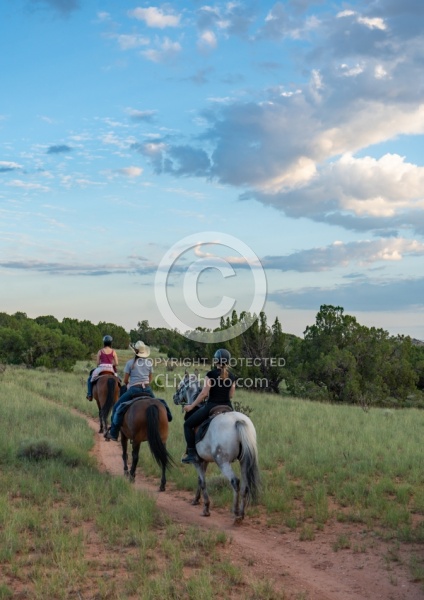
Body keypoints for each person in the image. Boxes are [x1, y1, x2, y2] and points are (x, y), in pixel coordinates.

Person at [105, 340, 172, 441]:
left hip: (134, 390)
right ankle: (168, 417)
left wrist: (129, 385)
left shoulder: (130, 363)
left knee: (117, 407)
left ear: (135, 351)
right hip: (147, 390)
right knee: (160, 404)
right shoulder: (149, 363)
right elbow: (150, 379)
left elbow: (126, 380)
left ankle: (114, 433)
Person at [181, 348, 235, 464]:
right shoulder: (232, 376)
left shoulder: (210, 374)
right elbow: (231, 395)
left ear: (216, 361)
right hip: (228, 408)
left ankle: (191, 454)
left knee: (187, 425)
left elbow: (204, 393)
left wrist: (191, 406)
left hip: (212, 406)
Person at [86, 335, 118, 400]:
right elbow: (116, 363)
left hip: (101, 368)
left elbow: (97, 363)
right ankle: (119, 395)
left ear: (104, 343)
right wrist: (111, 364)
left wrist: (102, 363)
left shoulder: (100, 351)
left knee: (90, 379)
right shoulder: (113, 351)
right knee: (118, 379)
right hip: (111, 368)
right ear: (110, 343)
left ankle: (89, 394)